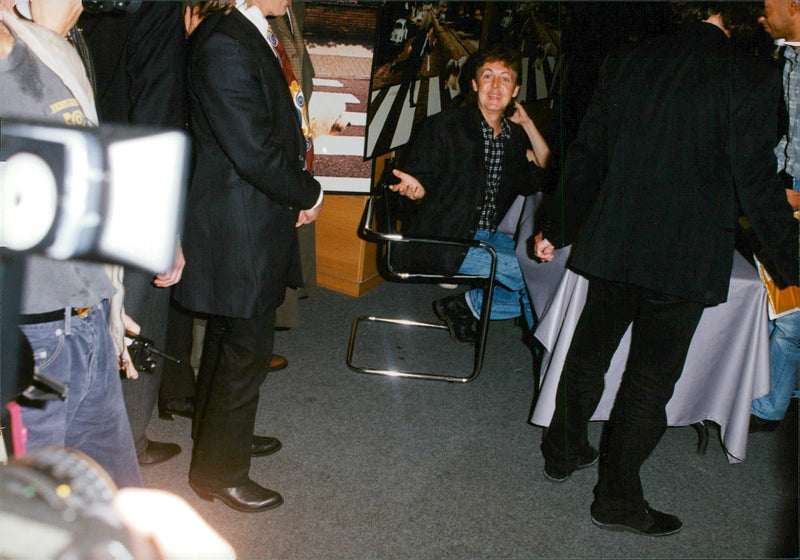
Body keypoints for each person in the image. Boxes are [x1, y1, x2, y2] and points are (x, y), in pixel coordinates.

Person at [534, 3, 799, 536]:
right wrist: (793, 259)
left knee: (589, 352)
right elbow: (756, 181)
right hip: (685, 253)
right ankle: (615, 500)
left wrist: (556, 226)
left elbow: (588, 152)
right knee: (648, 381)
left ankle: (562, 450)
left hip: (616, 238)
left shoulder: (629, 59)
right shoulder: (752, 75)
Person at [174, 0, 322, 513]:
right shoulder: (224, 41)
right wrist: (308, 192)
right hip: (239, 223)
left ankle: (221, 437)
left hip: (247, 216)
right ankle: (221, 473)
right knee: (245, 351)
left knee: (228, 344)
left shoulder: (241, 29)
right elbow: (253, 150)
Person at [0, 0, 141, 488]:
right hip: (31, 340)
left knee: (115, 498)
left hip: (84, 318)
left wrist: (106, 296)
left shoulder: (39, 47)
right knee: (40, 514)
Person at [78, 1, 188, 467]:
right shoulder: (157, 9)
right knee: (138, 317)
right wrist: (164, 223)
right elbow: (156, 112)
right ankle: (126, 444)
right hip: (136, 183)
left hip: (83, 170)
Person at [390, 45, 552, 345]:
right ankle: (545, 358)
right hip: (444, 238)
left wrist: (528, 124)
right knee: (532, 278)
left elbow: (546, 169)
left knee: (549, 272)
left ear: (515, 90)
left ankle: (467, 305)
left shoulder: (513, 138)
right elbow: (411, 186)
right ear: (475, 84)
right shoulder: (445, 126)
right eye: (487, 76)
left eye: (505, 79)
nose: (495, 86)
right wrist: (416, 192)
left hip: (484, 237)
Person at [748, 0, 800, 432]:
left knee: (792, 315)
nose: (761, 17)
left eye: (767, 7)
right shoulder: (785, 57)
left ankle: (767, 407)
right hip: (786, 185)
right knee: (783, 302)